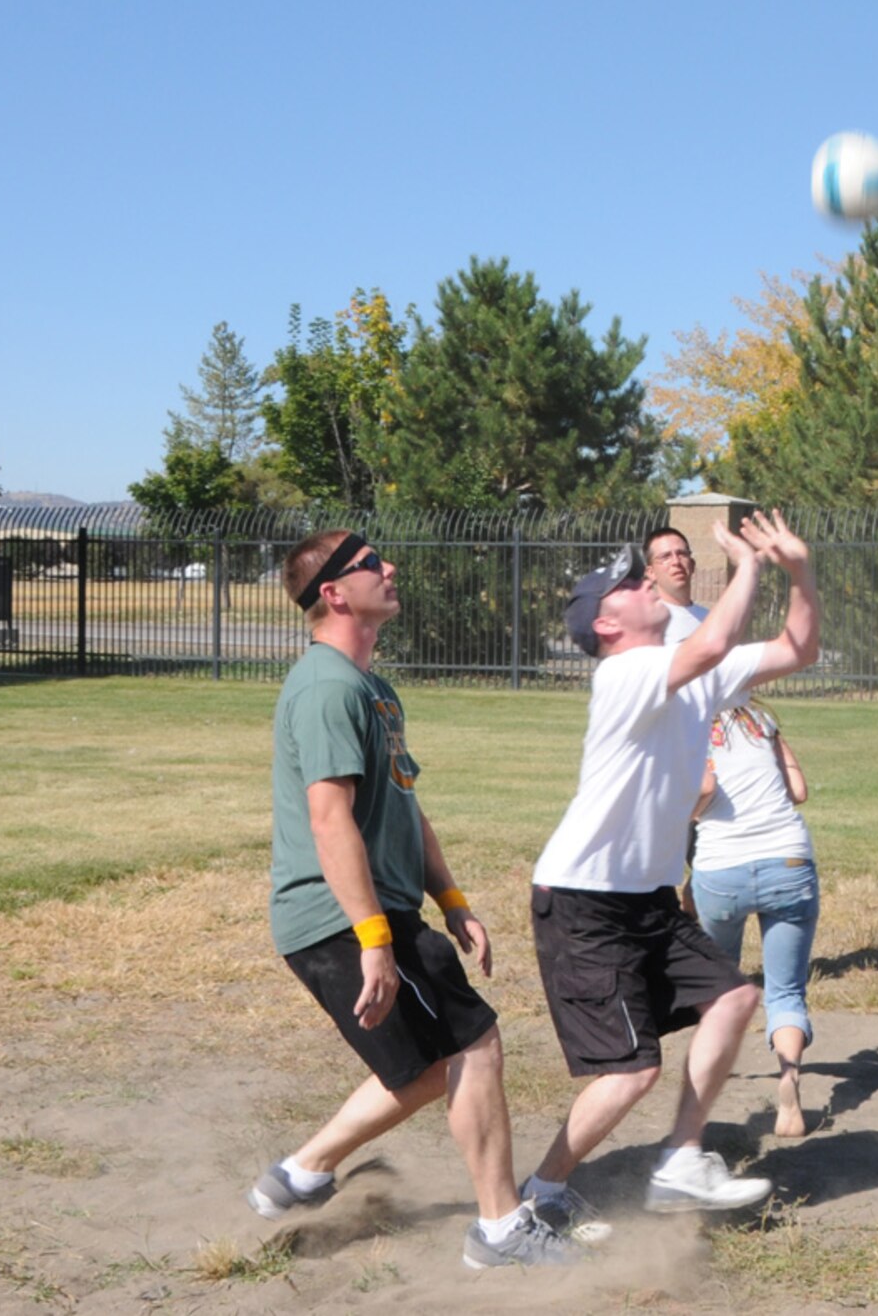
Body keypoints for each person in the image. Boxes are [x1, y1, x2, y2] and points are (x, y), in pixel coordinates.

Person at [253, 530, 572, 1269]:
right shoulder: (328, 685)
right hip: (342, 916)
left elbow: (405, 806)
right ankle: (500, 1229)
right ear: (333, 593)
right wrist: (374, 939)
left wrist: (452, 900)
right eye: (369, 563)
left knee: (431, 1065)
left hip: (372, 913)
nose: (389, 567)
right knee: (474, 1044)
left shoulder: (372, 688)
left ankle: (299, 1173)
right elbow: (328, 816)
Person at [520, 510, 820, 1230]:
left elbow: (798, 648)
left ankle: (682, 1156)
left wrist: (799, 571)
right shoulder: (624, 673)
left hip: (646, 899)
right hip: (583, 900)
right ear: (606, 623)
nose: (642, 581)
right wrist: (746, 563)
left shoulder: (695, 681)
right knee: (631, 1071)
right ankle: (539, 1194)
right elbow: (713, 637)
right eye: (625, 583)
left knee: (734, 998)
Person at [690, 697, 818, 1139]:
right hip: (789, 862)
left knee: (719, 993)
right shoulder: (761, 719)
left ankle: (702, 1105)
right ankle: (790, 1087)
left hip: (721, 870)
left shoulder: (684, 723)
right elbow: (798, 792)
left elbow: (702, 789)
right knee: (786, 992)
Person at [644, 526, 708, 645]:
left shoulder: (710, 619)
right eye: (665, 557)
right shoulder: (645, 624)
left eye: (682, 554)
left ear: (692, 564)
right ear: (651, 572)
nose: (676, 562)